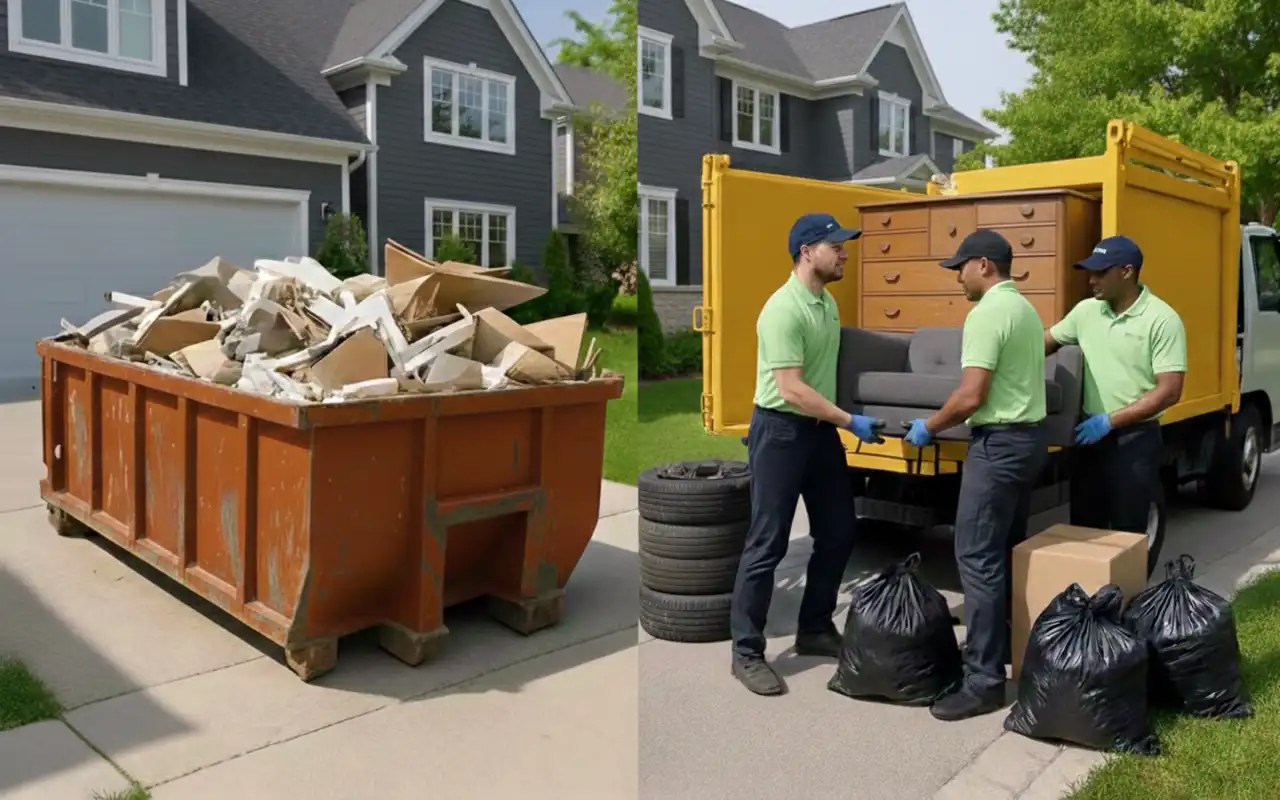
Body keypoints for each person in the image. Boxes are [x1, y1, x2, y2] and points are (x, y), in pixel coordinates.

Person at [730, 212, 885, 697]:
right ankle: (746, 653)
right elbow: (791, 389)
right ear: (806, 252)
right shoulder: (783, 310)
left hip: (818, 433)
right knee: (768, 543)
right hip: (780, 431)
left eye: (843, 245)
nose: (844, 253)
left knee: (839, 531)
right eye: (835, 246)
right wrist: (849, 421)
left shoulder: (826, 303)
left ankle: (815, 626)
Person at [903, 229, 1048, 721]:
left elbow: (970, 396)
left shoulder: (986, 314)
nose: (957, 277)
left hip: (1000, 446)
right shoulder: (1025, 310)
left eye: (960, 267)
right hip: (1029, 442)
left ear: (984, 265)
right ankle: (1003, 651)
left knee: (977, 557)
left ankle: (984, 680)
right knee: (1004, 551)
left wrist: (929, 426)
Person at [1045, 235, 1186, 534]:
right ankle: (1087, 583)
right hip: (1089, 438)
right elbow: (1044, 343)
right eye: (1090, 273)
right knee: (1084, 529)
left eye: (1100, 273)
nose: (1091, 280)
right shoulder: (1086, 312)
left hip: (1134, 440)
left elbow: (1170, 390)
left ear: (1126, 271)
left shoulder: (1161, 320)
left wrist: (1111, 421)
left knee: (1127, 531)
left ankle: (1127, 583)